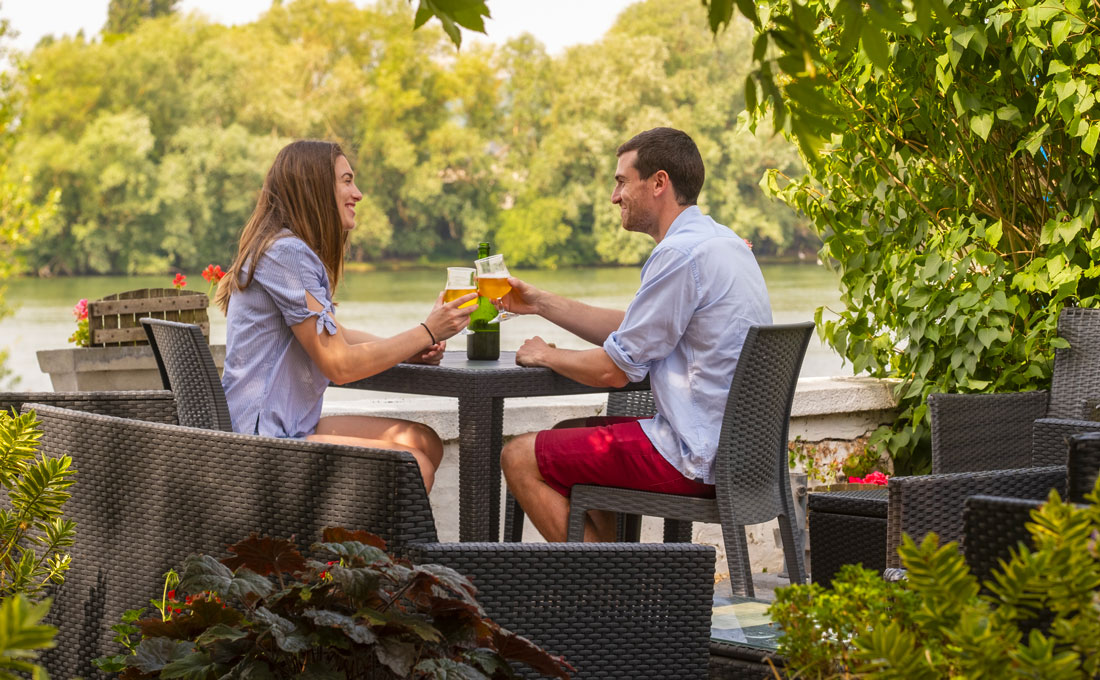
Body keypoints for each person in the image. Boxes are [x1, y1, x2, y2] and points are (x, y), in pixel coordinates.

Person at [498, 127, 772, 541]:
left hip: (695, 457)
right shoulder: (721, 241)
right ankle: (618, 573)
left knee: (518, 456)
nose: (614, 196)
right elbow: (636, 330)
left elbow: (613, 371)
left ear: (659, 182)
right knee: (566, 434)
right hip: (742, 456)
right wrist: (539, 303)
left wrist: (545, 355)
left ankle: (607, 593)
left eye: (622, 181)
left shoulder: (679, 254)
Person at [215, 140, 475, 492]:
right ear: (315, 189)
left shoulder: (285, 248)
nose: (358, 193)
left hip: (286, 424)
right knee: (411, 465)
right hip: (263, 441)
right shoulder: (286, 254)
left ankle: (372, 547)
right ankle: (369, 549)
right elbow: (339, 364)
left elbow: (338, 334)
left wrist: (406, 347)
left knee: (423, 440)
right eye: (347, 181)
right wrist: (428, 331)